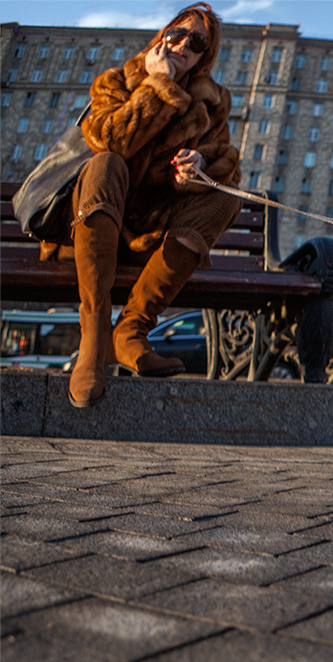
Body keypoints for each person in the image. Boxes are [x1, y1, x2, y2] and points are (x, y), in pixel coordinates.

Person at [60, 2, 241, 407]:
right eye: (177, 33)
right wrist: (157, 87)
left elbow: (227, 164)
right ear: (163, 34)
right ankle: (94, 334)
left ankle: (131, 331)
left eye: (196, 43)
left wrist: (201, 167)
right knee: (105, 164)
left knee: (226, 197)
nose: (182, 45)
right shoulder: (118, 80)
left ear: (203, 57)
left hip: (154, 238)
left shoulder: (213, 103)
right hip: (96, 225)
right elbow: (110, 140)